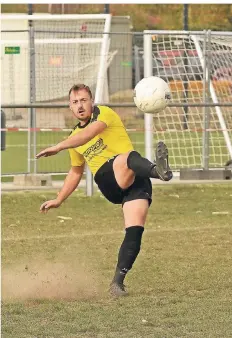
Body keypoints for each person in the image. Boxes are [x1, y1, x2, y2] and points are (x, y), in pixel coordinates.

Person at [35, 84, 173, 297]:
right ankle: (158, 171)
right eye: (75, 102)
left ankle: (117, 283)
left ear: (91, 102)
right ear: (70, 107)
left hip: (135, 178)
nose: (80, 105)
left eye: (83, 100)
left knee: (135, 229)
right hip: (108, 180)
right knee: (127, 157)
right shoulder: (74, 137)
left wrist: (59, 146)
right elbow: (75, 171)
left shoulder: (104, 113)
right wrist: (59, 199)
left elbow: (91, 132)